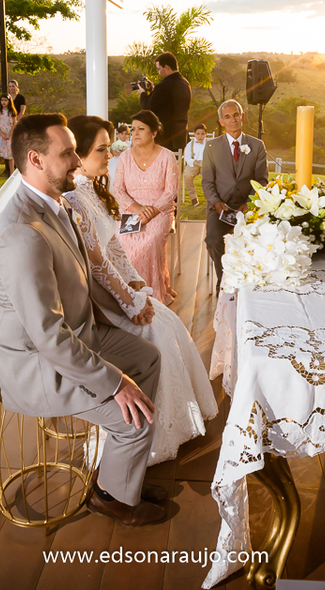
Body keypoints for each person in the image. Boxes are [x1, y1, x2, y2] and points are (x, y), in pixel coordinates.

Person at [0, 112, 166, 526]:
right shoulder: (21, 232)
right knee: (133, 417)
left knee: (149, 357)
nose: (76, 161)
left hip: (78, 334)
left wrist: (129, 302)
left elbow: (86, 275)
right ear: (35, 159)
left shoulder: (58, 202)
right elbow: (47, 336)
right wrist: (114, 382)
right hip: (33, 362)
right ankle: (111, 497)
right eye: (66, 153)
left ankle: (119, 477)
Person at [65, 115, 218, 463]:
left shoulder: (90, 188)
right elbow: (98, 263)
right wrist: (133, 303)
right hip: (100, 304)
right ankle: (147, 436)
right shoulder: (74, 198)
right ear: (80, 154)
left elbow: (113, 248)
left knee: (169, 322)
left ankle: (174, 424)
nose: (110, 154)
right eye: (103, 150)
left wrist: (136, 282)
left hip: (143, 241)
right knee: (160, 332)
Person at [112, 110, 179, 303]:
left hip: (160, 211)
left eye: (141, 129)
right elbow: (118, 190)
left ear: (154, 133)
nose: (135, 133)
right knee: (121, 240)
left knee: (151, 241)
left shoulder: (167, 157)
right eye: (133, 129)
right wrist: (137, 209)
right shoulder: (124, 157)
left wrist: (151, 211)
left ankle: (154, 294)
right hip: (131, 210)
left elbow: (170, 192)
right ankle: (128, 293)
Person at [201, 99, 268, 290]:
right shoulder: (211, 147)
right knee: (213, 240)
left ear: (242, 117)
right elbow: (207, 181)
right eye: (227, 117)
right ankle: (225, 281)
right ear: (221, 121)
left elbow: (262, 180)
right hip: (219, 207)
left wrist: (250, 203)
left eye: (236, 115)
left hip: (247, 207)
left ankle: (250, 280)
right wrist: (215, 202)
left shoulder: (257, 145)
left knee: (259, 238)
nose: (233, 120)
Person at [138, 52, 192, 151]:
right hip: (181, 137)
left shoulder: (163, 86)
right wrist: (154, 91)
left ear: (166, 67)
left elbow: (149, 108)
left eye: (159, 69)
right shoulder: (185, 84)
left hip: (165, 138)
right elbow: (167, 103)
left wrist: (143, 94)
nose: (159, 72)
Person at [0, 94, 16, 178]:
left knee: (10, 154)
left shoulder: (12, 111)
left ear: (9, 101)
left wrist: (9, 134)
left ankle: (11, 173)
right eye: (2, 100)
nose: (3, 102)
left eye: (5, 100)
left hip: (9, 133)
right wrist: (1, 133)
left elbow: (14, 124)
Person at [182, 124, 208, 205]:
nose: (200, 136)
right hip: (194, 164)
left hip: (206, 164)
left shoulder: (209, 143)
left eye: (202, 134)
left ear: (206, 134)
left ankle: (210, 197)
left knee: (211, 176)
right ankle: (193, 197)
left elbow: (214, 156)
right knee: (187, 175)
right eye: (198, 134)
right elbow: (187, 157)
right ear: (194, 134)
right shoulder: (190, 144)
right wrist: (194, 162)